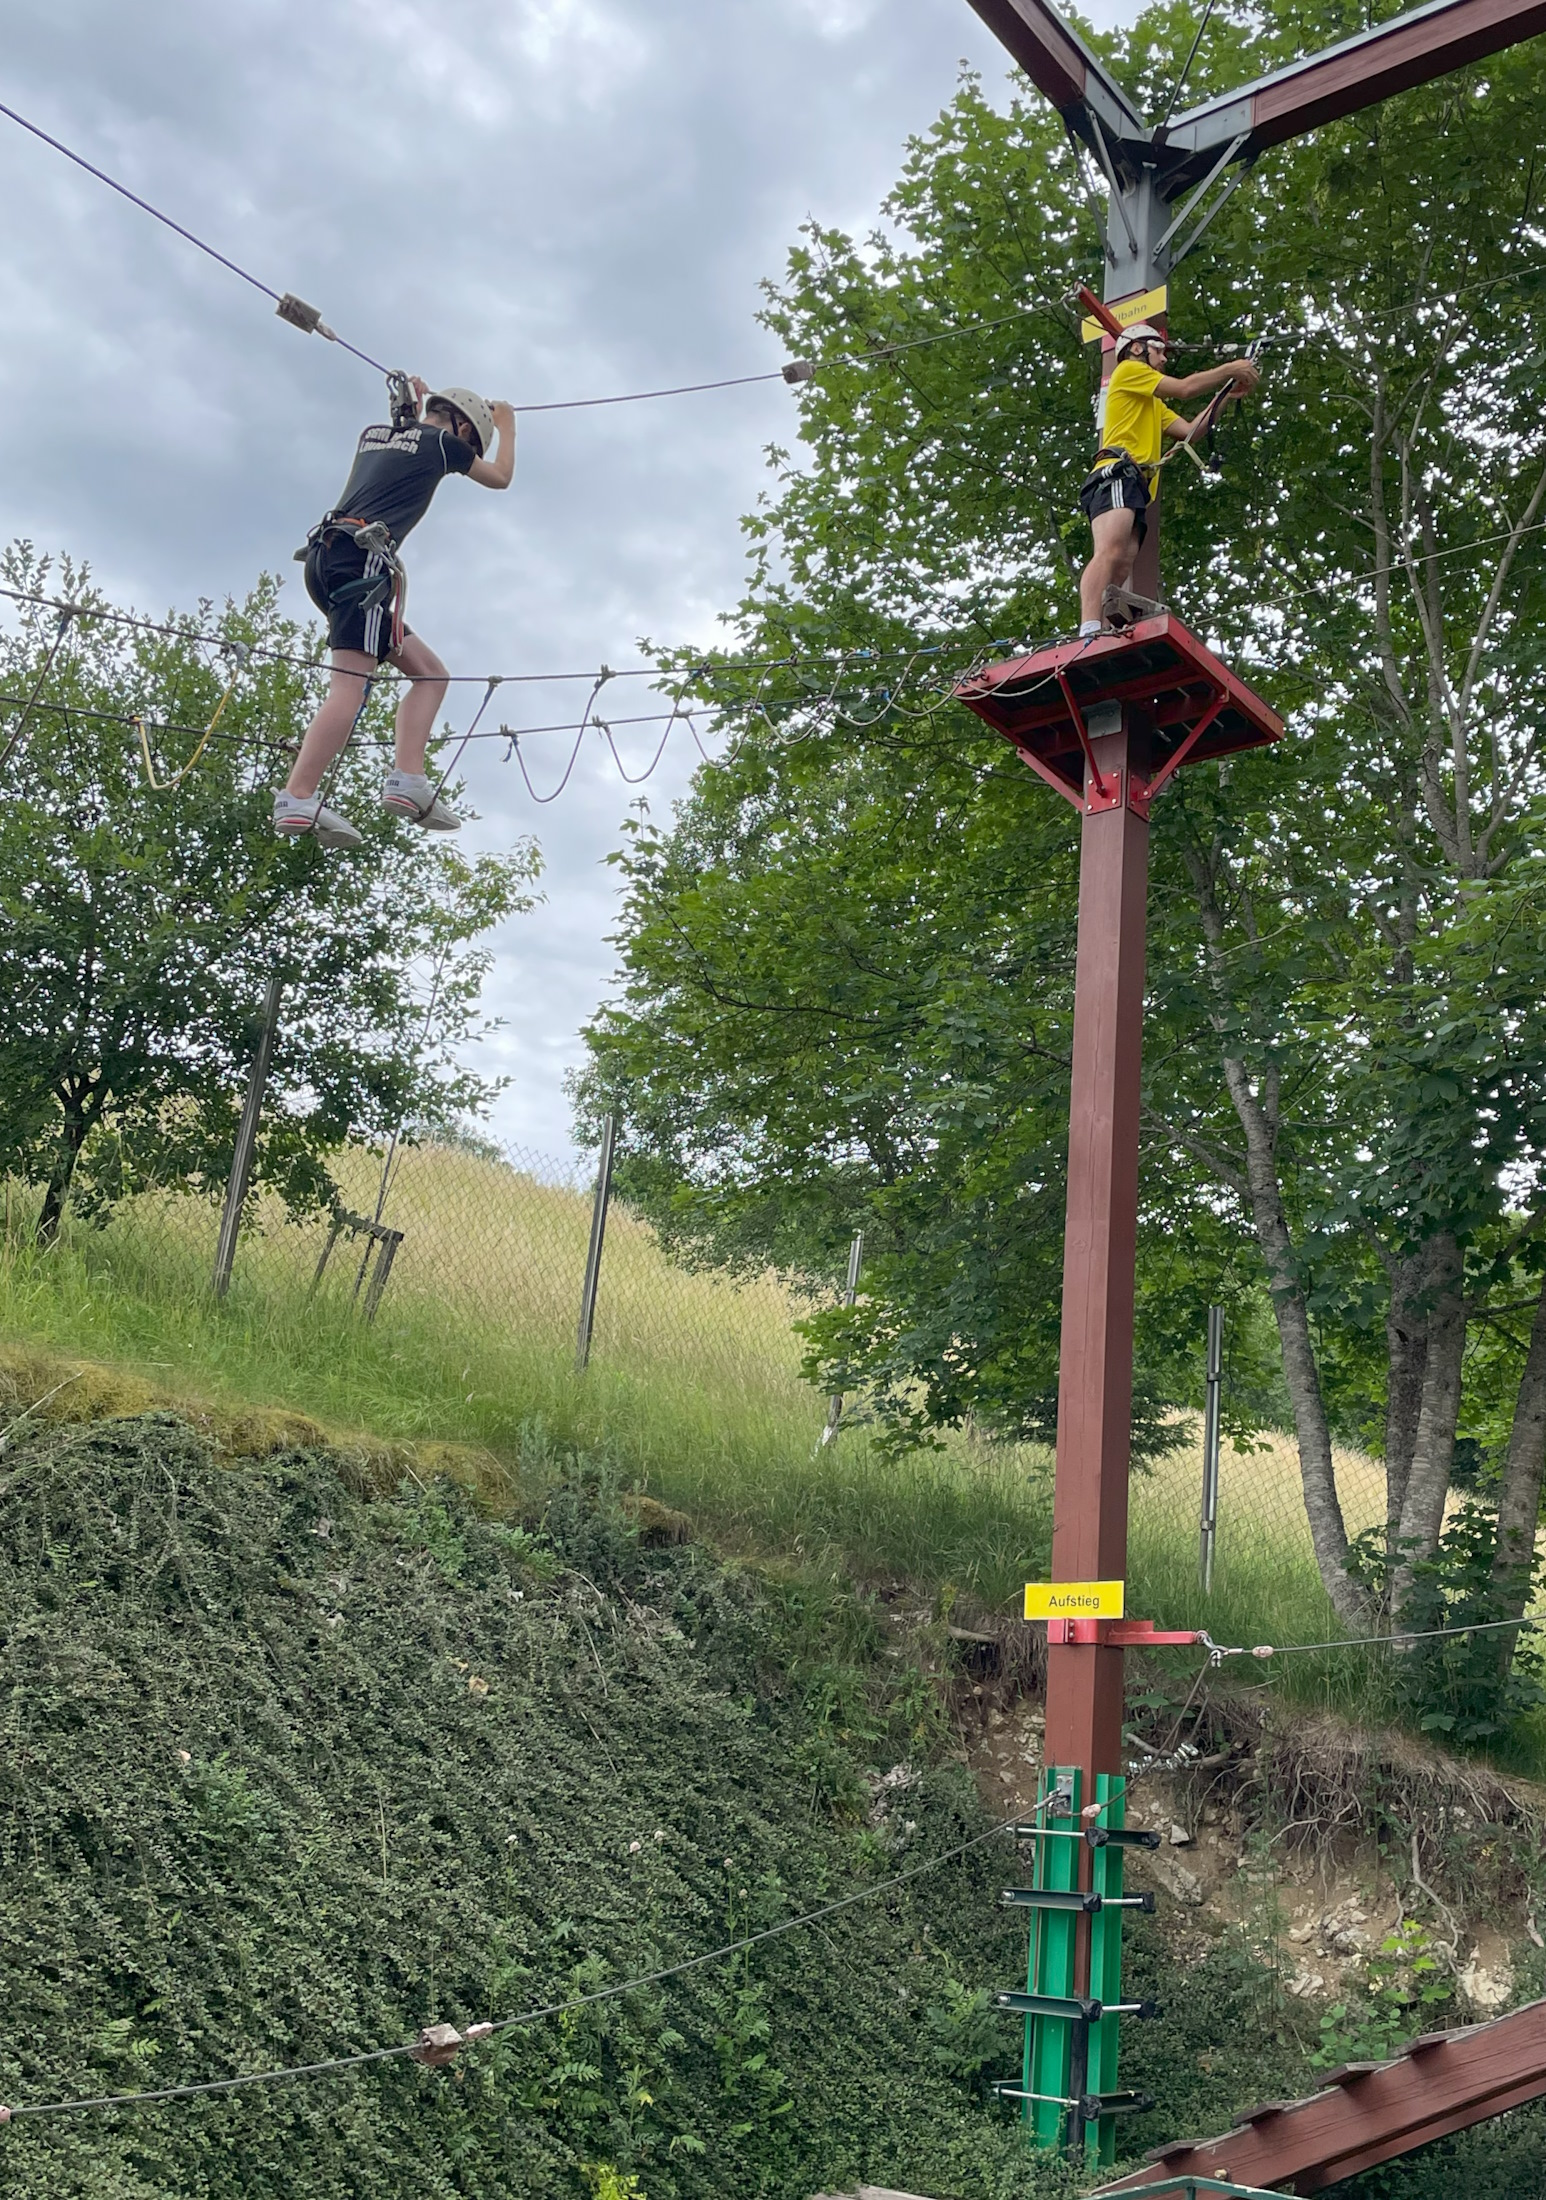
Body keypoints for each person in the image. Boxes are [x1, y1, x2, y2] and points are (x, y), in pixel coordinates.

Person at [273, 378, 516, 848]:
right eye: (471, 441)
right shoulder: (445, 443)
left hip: (329, 558)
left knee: (429, 673)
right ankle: (297, 794)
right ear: (463, 426)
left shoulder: (374, 434)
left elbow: (405, 442)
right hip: (360, 561)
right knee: (350, 686)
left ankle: (408, 777)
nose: (466, 451)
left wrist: (413, 407)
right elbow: (499, 477)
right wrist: (507, 426)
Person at [1076, 326, 1260, 637]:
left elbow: (1191, 431)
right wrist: (1229, 368)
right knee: (1111, 548)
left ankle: (1101, 627)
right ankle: (1089, 625)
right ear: (1136, 348)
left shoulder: (1151, 403)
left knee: (1124, 560)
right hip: (1116, 472)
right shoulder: (1129, 370)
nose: (1163, 358)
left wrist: (1225, 393)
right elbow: (1185, 388)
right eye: (1158, 350)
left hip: (1133, 483)